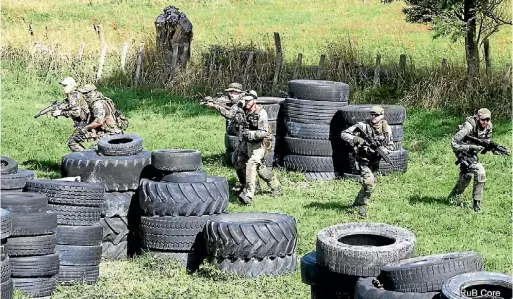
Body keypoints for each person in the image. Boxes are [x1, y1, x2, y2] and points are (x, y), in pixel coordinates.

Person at [340, 105, 394, 217]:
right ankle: (363, 207)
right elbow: (344, 134)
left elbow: (390, 146)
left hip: (375, 160)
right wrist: (357, 139)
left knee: (369, 184)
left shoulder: (386, 128)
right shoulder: (363, 126)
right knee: (369, 183)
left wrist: (381, 151)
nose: (374, 117)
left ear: (382, 116)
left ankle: (356, 203)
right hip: (364, 159)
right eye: (372, 114)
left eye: (377, 115)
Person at [234, 92, 281, 204]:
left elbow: (263, 133)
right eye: (245, 101)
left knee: (252, 163)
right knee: (240, 163)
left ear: (254, 101)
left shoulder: (261, 113)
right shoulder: (242, 110)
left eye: (248, 101)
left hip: (260, 143)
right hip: (247, 143)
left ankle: (248, 195)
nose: (246, 103)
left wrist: (250, 134)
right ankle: (274, 185)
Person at [447, 108, 495, 212]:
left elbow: (486, 141)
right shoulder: (468, 126)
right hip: (462, 152)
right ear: (478, 117)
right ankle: (472, 202)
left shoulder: (489, 126)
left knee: (468, 175)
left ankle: (469, 201)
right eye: (483, 120)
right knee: (478, 172)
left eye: (488, 120)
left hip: (473, 153)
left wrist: (489, 147)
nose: (485, 122)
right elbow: (454, 143)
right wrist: (471, 147)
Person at [51, 77, 90, 152]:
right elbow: (72, 107)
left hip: (85, 122)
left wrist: (60, 113)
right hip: (85, 121)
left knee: (72, 143)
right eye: (63, 86)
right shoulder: (75, 93)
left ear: (72, 85)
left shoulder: (73, 95)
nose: (63, 88)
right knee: (73, 141)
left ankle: (88, 158)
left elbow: (76, 113)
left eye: (65, 86)